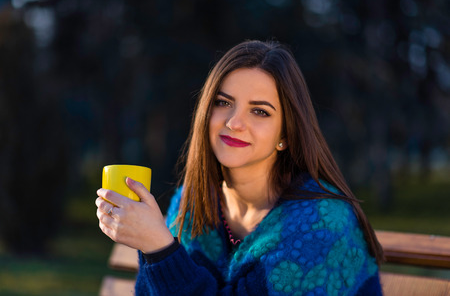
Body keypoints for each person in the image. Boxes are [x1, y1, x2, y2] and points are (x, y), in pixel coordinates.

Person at [96, 40, 384, 295]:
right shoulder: (192, 201)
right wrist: (152, 246)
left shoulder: (322, 224)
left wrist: (160, 249)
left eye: (259, 111)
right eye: (223, 102)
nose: (234, 122)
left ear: (285, 134)